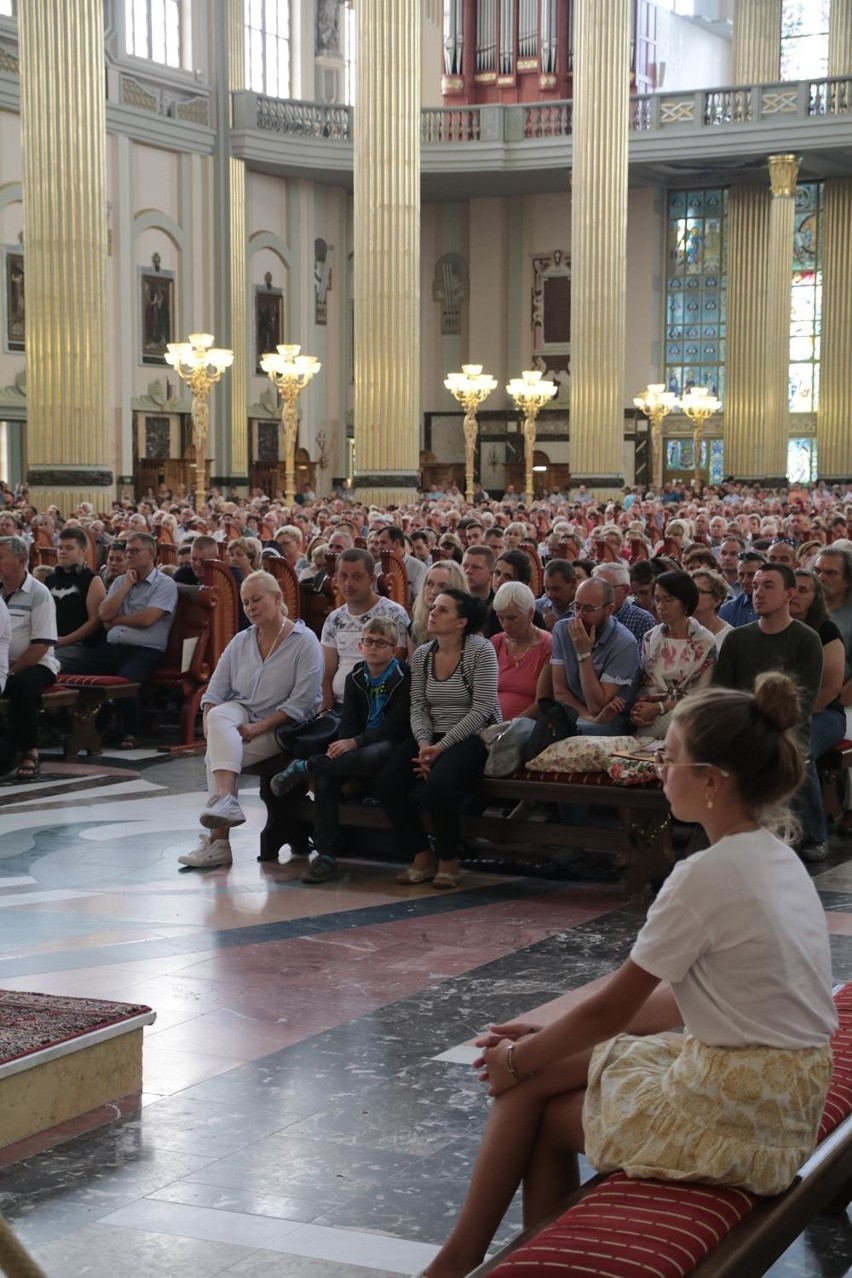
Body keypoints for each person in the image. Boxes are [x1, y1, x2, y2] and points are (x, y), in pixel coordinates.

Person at [421, 673, 837, 1278]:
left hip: (738, 1116)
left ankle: (463, 1258)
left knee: (532, 1097)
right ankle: (480, 1256)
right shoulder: (774, 854)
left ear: (713, 781)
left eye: (669, 758)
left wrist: (520, 1059)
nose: (659, 768)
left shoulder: (704, 876)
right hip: (783, 1093)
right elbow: (679, 1002)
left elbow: (611, 1011)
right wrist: (540, 1036)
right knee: (539, 1073)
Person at [178, 571, 324, 869]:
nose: (250, 608)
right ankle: (225, 801)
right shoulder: (241, 641)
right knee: (219, 715)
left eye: (256, 600)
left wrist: (259, 727)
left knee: (216, 759)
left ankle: (220, 842)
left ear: (277, 598)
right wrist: (211, 728)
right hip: (241, 714)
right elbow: (215, 691)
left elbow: (303, 701)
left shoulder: (303, 640)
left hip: (286, 725)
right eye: (245, 603)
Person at [269, 616, 411, 884]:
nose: (372, 647)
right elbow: (348, 723)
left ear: (393, 649)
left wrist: (354, 744)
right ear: (360, 646)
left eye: (381, 643)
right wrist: (345, 747)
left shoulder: (403, 676)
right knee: (328, 775)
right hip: (357, 744)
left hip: (392, 745)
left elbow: (394, 727)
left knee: (371, 754)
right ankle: (326, 856)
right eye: (367, 641)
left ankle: (305, 766)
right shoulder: (356, 675)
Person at [378, 589, 499, 890]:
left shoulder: (481, 651)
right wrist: (422, 745)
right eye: (433, 607)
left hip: (473, 735)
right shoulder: (423, 654)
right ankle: (421, 853)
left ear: (462, 622)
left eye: (443, 609)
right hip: (430, 737)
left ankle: (448, 858)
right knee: (388, 781)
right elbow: (418, 705)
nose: (432, 612)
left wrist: (440, 748)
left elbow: (482, 710)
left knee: (439, 785)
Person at [64, 532, 178, 749]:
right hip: (114, 647)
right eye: (128, 551)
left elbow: (148, 619)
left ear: (151, 553)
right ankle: (89, 724)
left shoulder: (165, 584)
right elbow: (104, 614)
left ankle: (131, 731)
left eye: (134, 551)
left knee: (126, 682)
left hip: (145, 650)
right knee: (73, 671)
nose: (130, 556)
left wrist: (118, 620)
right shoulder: (119, 581)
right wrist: (126, 584)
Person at [788, 568, 846, 861]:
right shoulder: (769, 627)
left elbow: (831, 687)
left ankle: (813, 834)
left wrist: (794, 717)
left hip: (823, 713)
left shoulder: (825, 629)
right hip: (777, 713)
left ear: (815, 597)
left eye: (804, 590)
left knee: (798, 746)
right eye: (792, 588)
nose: (796, 595)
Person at [624, 571, 715, 739]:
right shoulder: (650, 638)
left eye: (668, 600)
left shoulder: (704, 641)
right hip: (651, 716)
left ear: (686, 602)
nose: (660, 606)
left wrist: (661, 707)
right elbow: (645, 685)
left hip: (689, 714)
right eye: (657, 600)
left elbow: (702, 696)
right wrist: (639, 711)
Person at [550, 577, 639, 735]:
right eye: (576, 606)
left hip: (611, 721)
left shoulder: (625, 644)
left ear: (609, 609)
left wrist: (584, 654)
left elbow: (596, 706)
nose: (579, 616)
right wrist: (587, 717)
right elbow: (560, 691)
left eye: (588, 609)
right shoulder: (562, 629)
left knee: (571, 735)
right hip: (574, 713)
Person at [0, 536, 59, 778]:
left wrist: (9, 672)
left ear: (21, 560)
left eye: (0, 557)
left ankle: (29, 751)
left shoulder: (39, 593)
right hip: (3, 663)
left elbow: (41, 645)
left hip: (37, 663)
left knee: (22, 686)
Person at [490, 581, 552, 720]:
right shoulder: (496, 643)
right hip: (490, 725)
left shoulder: (547, 645)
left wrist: (508, 727)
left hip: (526, 727)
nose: (505, 625)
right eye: (500, 618)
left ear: (530, 614)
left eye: (512, 618)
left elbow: (541, 703)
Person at [46, 526, 106, 669]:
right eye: (60, 547)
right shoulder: (50, 579)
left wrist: (65, 641)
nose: (62, 552)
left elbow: (95, 621)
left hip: (79, 646)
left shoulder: (92, 580)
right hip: (49, 643)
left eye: (69, 548)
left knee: (44, 666)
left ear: (83, 550)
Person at [409, 559, 467, 647]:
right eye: (430, 584)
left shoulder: (469, 631)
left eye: (442, 586)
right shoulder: (415, 627)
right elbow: (413, 660)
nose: (433, 591)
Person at [718, 549, 765, 628]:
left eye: (751, 575)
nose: (745, 581)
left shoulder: (779, 606)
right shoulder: (728, 610)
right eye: (741, 575)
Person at [690, 567, 732, 650]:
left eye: (699, 591)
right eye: (690, 590)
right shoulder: (679, 630)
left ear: (717, 600)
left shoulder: (729, 637)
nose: (692, 595)